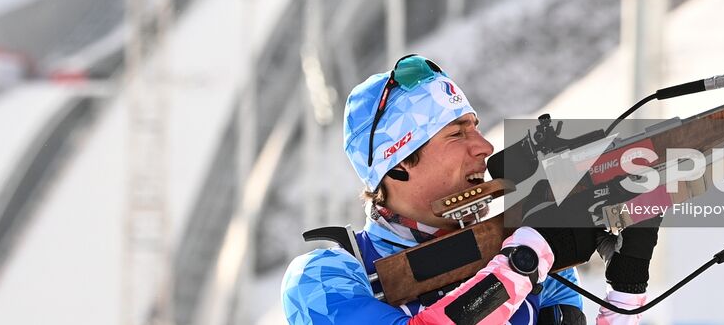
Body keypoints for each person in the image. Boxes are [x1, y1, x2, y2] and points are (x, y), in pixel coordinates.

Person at [281, 54, 659, 324]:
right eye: (457, 133)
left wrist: (624, 293)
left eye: (475, 127)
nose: (484, 146)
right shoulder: (322, 279)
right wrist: (522, 262)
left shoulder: (520, 248)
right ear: (397, 161)